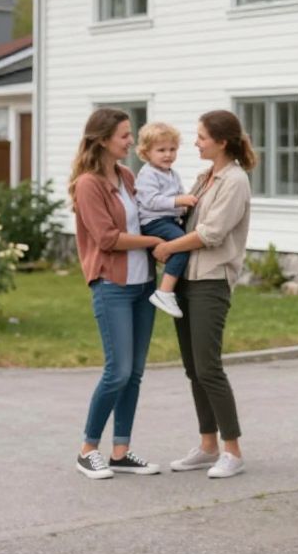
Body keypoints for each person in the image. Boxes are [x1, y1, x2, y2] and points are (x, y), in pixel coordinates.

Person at [150, 110, 254, 479]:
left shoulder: (235, 181)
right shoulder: (203, 177)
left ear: (222, 142)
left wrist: (167, 249)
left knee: (209, 367)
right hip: (186, 282)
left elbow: (211, 233)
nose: (195, 143)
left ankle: (233, 450)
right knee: (193, 369)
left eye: (201, 137)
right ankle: (208, 445)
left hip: (211, 279)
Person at [70, 107, 164, 480]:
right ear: (104, 139)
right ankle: (88, 449)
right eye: (125, 135)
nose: (131, 141)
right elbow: (107, 238)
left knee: (135, 373)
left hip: (143, 286)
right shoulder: (88, 184)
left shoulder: (126, 176)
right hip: (112, 285)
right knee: (118, 370)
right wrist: (155, 240)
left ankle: (121, 451)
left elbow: (147, 211)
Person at [134, 121, 199, 319]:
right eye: (161, 150)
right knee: (182, 245)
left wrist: (184, 203)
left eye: (172, 149)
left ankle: (172, 288)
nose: (168, 154)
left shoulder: (173, 174)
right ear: (146, 153)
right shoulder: (148, 174)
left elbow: (178, 197)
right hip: (154, 222)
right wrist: (179, 200)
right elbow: (151, 201)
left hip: (168, 221)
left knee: (181, 246)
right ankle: (164, 292)